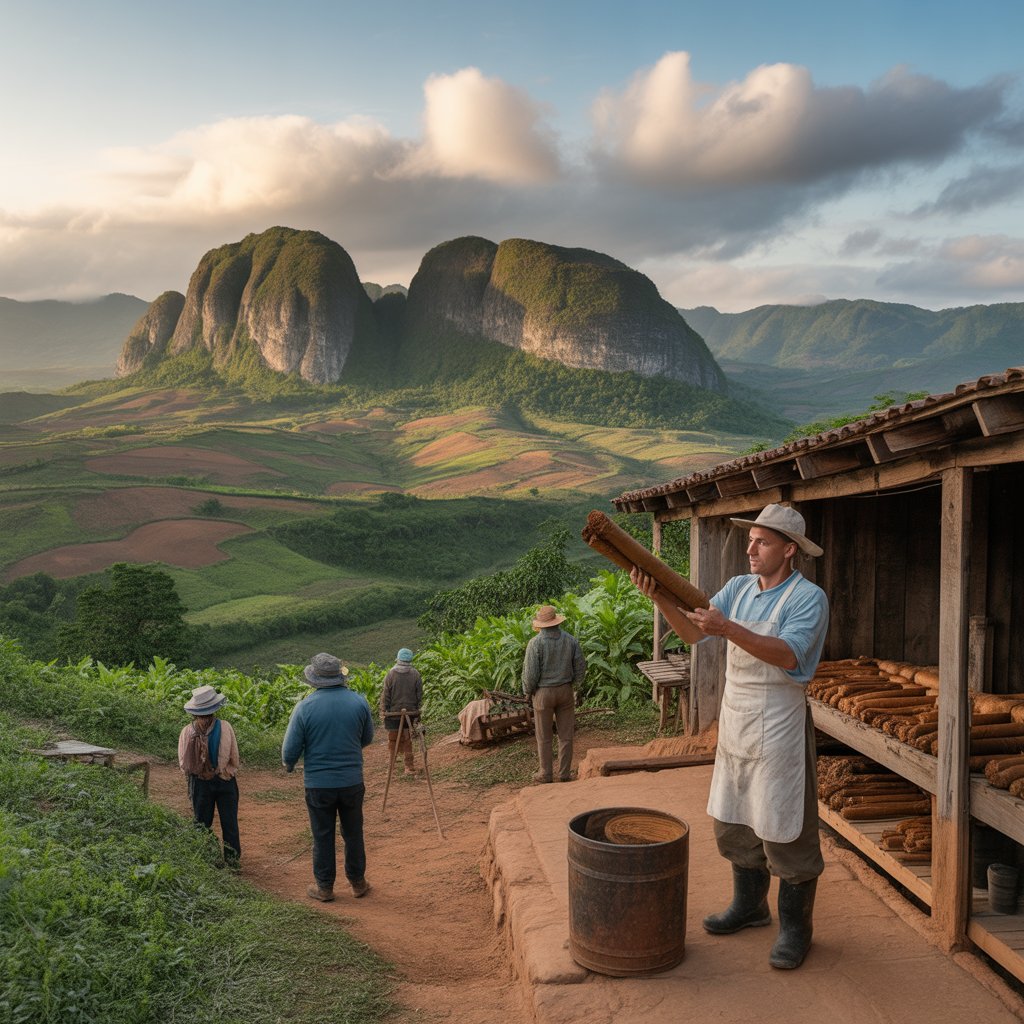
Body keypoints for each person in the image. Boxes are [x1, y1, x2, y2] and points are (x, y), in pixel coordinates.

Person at [631, 503, 829, 970]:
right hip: (738, 719)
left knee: (787, 830)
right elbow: (695, 633)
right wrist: (660, 598)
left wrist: (728, 628)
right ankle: (750, 907)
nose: (751, 548)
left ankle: (796, 929)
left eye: (762, 541)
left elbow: (788, 655)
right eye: (751, 539)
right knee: (736, 818)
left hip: (780, 725)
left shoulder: (807, 598)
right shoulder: (739, 588)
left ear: (789, 549)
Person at [282, 652, 375, 902]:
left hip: (318, 784)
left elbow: (290, 749)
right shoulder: (359, 702)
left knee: (322, 834)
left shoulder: (304, 708)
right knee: (353, 832)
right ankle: (357, 883)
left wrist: (289, 765)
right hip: (352, 781)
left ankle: (324, 887)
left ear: (314, 679)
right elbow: (367, 738)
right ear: (339, 677)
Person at [521, 604, 586, 783]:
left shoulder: (535, 644)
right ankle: (564, 773)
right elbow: (580, 667)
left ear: (541, 624)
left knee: (544, 736)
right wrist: (574, 685)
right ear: (557, 621)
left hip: (543, 693)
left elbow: (530, 674)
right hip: (565, 690)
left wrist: (528, 691)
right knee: (566, 735)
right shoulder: (571, 640)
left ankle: (546, 774)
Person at [178, 684, 241, 867]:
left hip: (199, 783)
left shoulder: (187, 731)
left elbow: (183, 763)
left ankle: (204, 860)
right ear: (215, 709)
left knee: (201, 822)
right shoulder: (226, 727)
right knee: (229, 822)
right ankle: (232, 862)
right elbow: (234, 757)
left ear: (194, 711)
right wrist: (225, 772)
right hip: (225, 781)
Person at [380, 647, 423, 776]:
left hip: (393, 714)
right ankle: (409, 766)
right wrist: (416, 710)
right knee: (407, 738)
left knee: (393, 739)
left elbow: (386, 694)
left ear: (398, 659)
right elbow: (419, 695)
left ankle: (391, 768)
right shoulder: (415, 674)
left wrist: (383, 710)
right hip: (410, 714)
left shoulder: (391, 674)